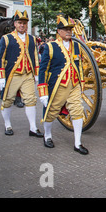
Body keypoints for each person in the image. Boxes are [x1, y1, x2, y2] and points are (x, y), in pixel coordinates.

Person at [37, 15, 88, 155]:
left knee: (77, 111)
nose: (68, 32)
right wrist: (43, 91)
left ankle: (77, 143)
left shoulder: (76, 46)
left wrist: (81, 83)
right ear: (58, 31)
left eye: (70, 29)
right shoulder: (50, 47)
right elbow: (43, 69)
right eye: (65, 29)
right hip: (58, 85)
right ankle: (47, 135)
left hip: (74, 84)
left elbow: (80, 65)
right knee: (51, 112)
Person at [0, 10, 43, 137]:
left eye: (24, 23)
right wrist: (0, 77)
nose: (22, 25)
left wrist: (37, 73)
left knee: (31, 100)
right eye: (19, 22)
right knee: (7, 100)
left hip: (27, 74)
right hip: (12, 75)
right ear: (15, 24)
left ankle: (33, 128)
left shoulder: (32, 39)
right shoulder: (6, 38)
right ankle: (7, 124)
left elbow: (35, 57)